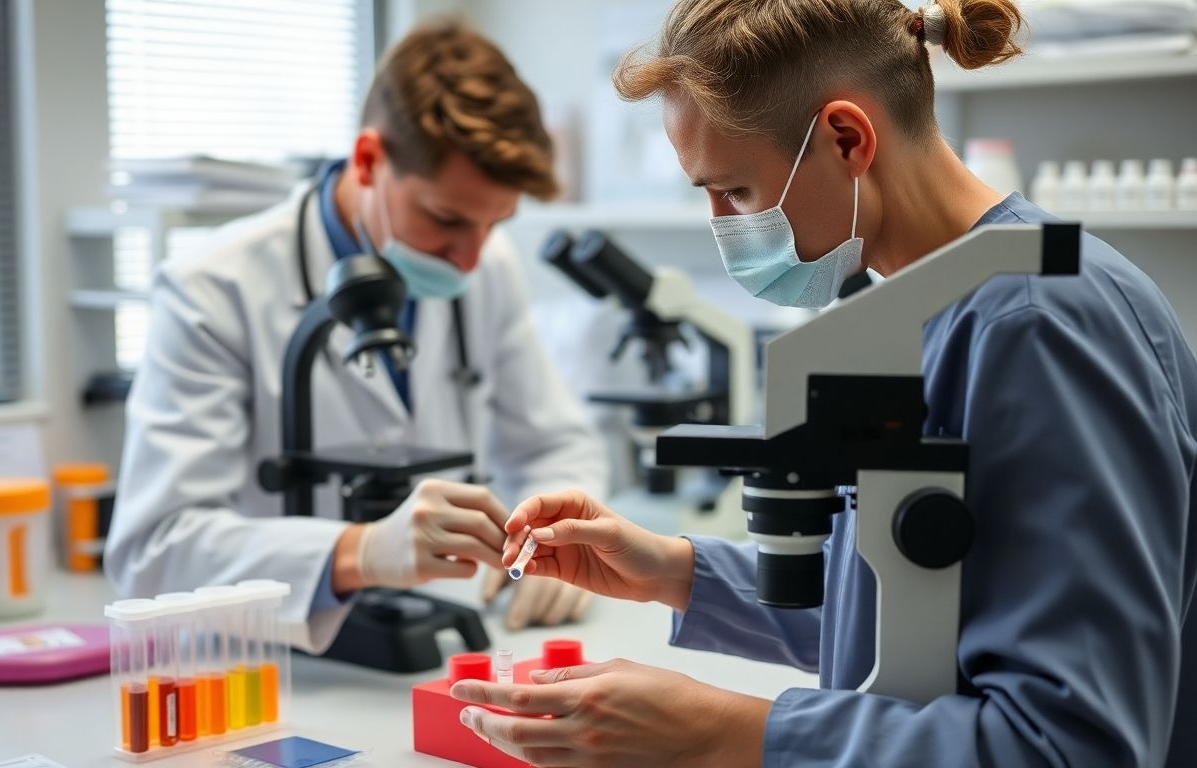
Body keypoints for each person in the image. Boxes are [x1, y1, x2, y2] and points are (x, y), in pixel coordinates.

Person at [450, 1, 1197, 766]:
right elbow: (912, 615)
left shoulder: (1040, 323)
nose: (723, 226)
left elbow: (1071, 746)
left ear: (847, 138)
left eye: (735, 193)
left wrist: (719, 731)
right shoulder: (912, 300)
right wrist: (672, 570)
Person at [105, 20, 607, 653]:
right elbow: (154, 550)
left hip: (442, 640)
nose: (470, 260)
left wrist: (558, 540)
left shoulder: (490, 267)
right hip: (261, 663)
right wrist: (360, 551)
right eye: (446, 219)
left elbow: (555, 445)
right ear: (368, 160)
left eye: (494, 224)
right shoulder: (213, 286)